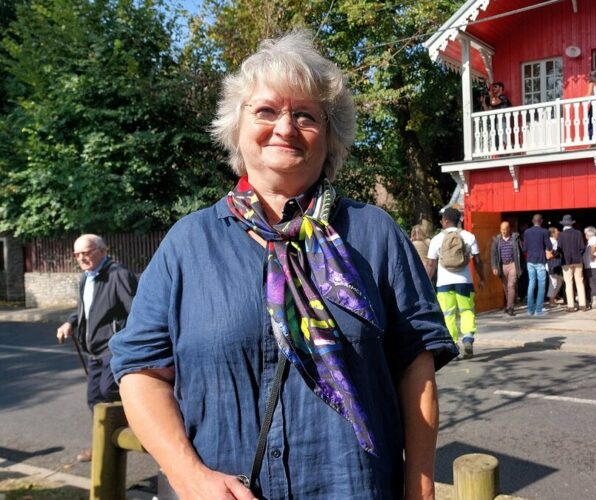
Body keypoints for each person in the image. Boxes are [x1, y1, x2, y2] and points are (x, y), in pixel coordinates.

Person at [109, 31, 457, 500]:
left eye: (305, 115)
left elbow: (416, 369)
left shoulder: (375, 235)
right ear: (236, 127)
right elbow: (140, 373)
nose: (285, 127)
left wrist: (420, 487)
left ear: (330, 135)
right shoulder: (187, 244)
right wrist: (189, 476)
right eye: (266, 111)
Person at [56, 234, 137, 462]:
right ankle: (101, 444)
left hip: (114, 348)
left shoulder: (117, 275)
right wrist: (70, 322)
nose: (82, 258)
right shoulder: (86, 277)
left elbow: (136, 312)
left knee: (107, 391)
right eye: (77, 254)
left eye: (87, 252)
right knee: (94, 399)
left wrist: (127, 344)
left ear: (102, 250)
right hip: (93, 351)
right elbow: (85, 309)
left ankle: (138, 430)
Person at [426, 207, 485, 359]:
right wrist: (482, 278)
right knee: (467, 311)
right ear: (459, 220)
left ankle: (453, 344)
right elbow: (478, 261)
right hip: (464, 281)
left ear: (445, 221)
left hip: (444, 283)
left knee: (448, 314)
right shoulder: (469, 236)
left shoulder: (437, 239)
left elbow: (431, 264)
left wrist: (426, 283)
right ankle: (468, 338)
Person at [489, 221, 522, 316]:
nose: (503, 231)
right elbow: (493, 254)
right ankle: (509, 305)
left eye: (505, 229)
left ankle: (510, 307)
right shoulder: (497, 240)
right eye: (502, 230)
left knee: (511, 285)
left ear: (509, 229)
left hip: (513, 265)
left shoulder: (515, 238)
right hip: (502, 265)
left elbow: (521, 253)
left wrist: (521, 266)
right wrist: (494, 266)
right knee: (505, 286)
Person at [522, 214, 552, 316]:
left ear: (532, 220)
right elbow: (549, 246)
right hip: (540, 260)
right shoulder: (544, 231)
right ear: (541, 221)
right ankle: (538, 310)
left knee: (531, 284)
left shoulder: (527, 232)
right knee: (541, 285)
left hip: (530, 260)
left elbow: (524, 248)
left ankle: (530, 310)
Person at [557, 214, 588, 311]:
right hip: (578, 260)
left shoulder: (561, 235)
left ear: (563, 224)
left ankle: (571, 306)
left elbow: (559, 249)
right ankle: (583, 305)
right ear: (572, 224)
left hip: (566, 262)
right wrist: (578, 255)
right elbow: (583, 248)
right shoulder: (578, 233)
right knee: (579, 282)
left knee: (569, 283)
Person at [583, 226, 596, 308]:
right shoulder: (595, 239)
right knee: (591, 283)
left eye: (585, 234)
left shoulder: (593, 239)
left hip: (593, 265)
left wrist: (592, 254)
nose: (585, 235)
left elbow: (594, 246)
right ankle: (593, 299)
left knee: (593, 283)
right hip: (592, 265)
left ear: (588, 234)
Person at [546, 227, 564, 307]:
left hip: (556, 264)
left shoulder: (555, 241)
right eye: (557, 231)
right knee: (553, 282)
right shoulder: (550, 242)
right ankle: (551, 301)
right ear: (553, 233)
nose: (559, 232)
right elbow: (548, 255)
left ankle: (553, 298)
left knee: (559, 281)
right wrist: (557, 254)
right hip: (551, 264)